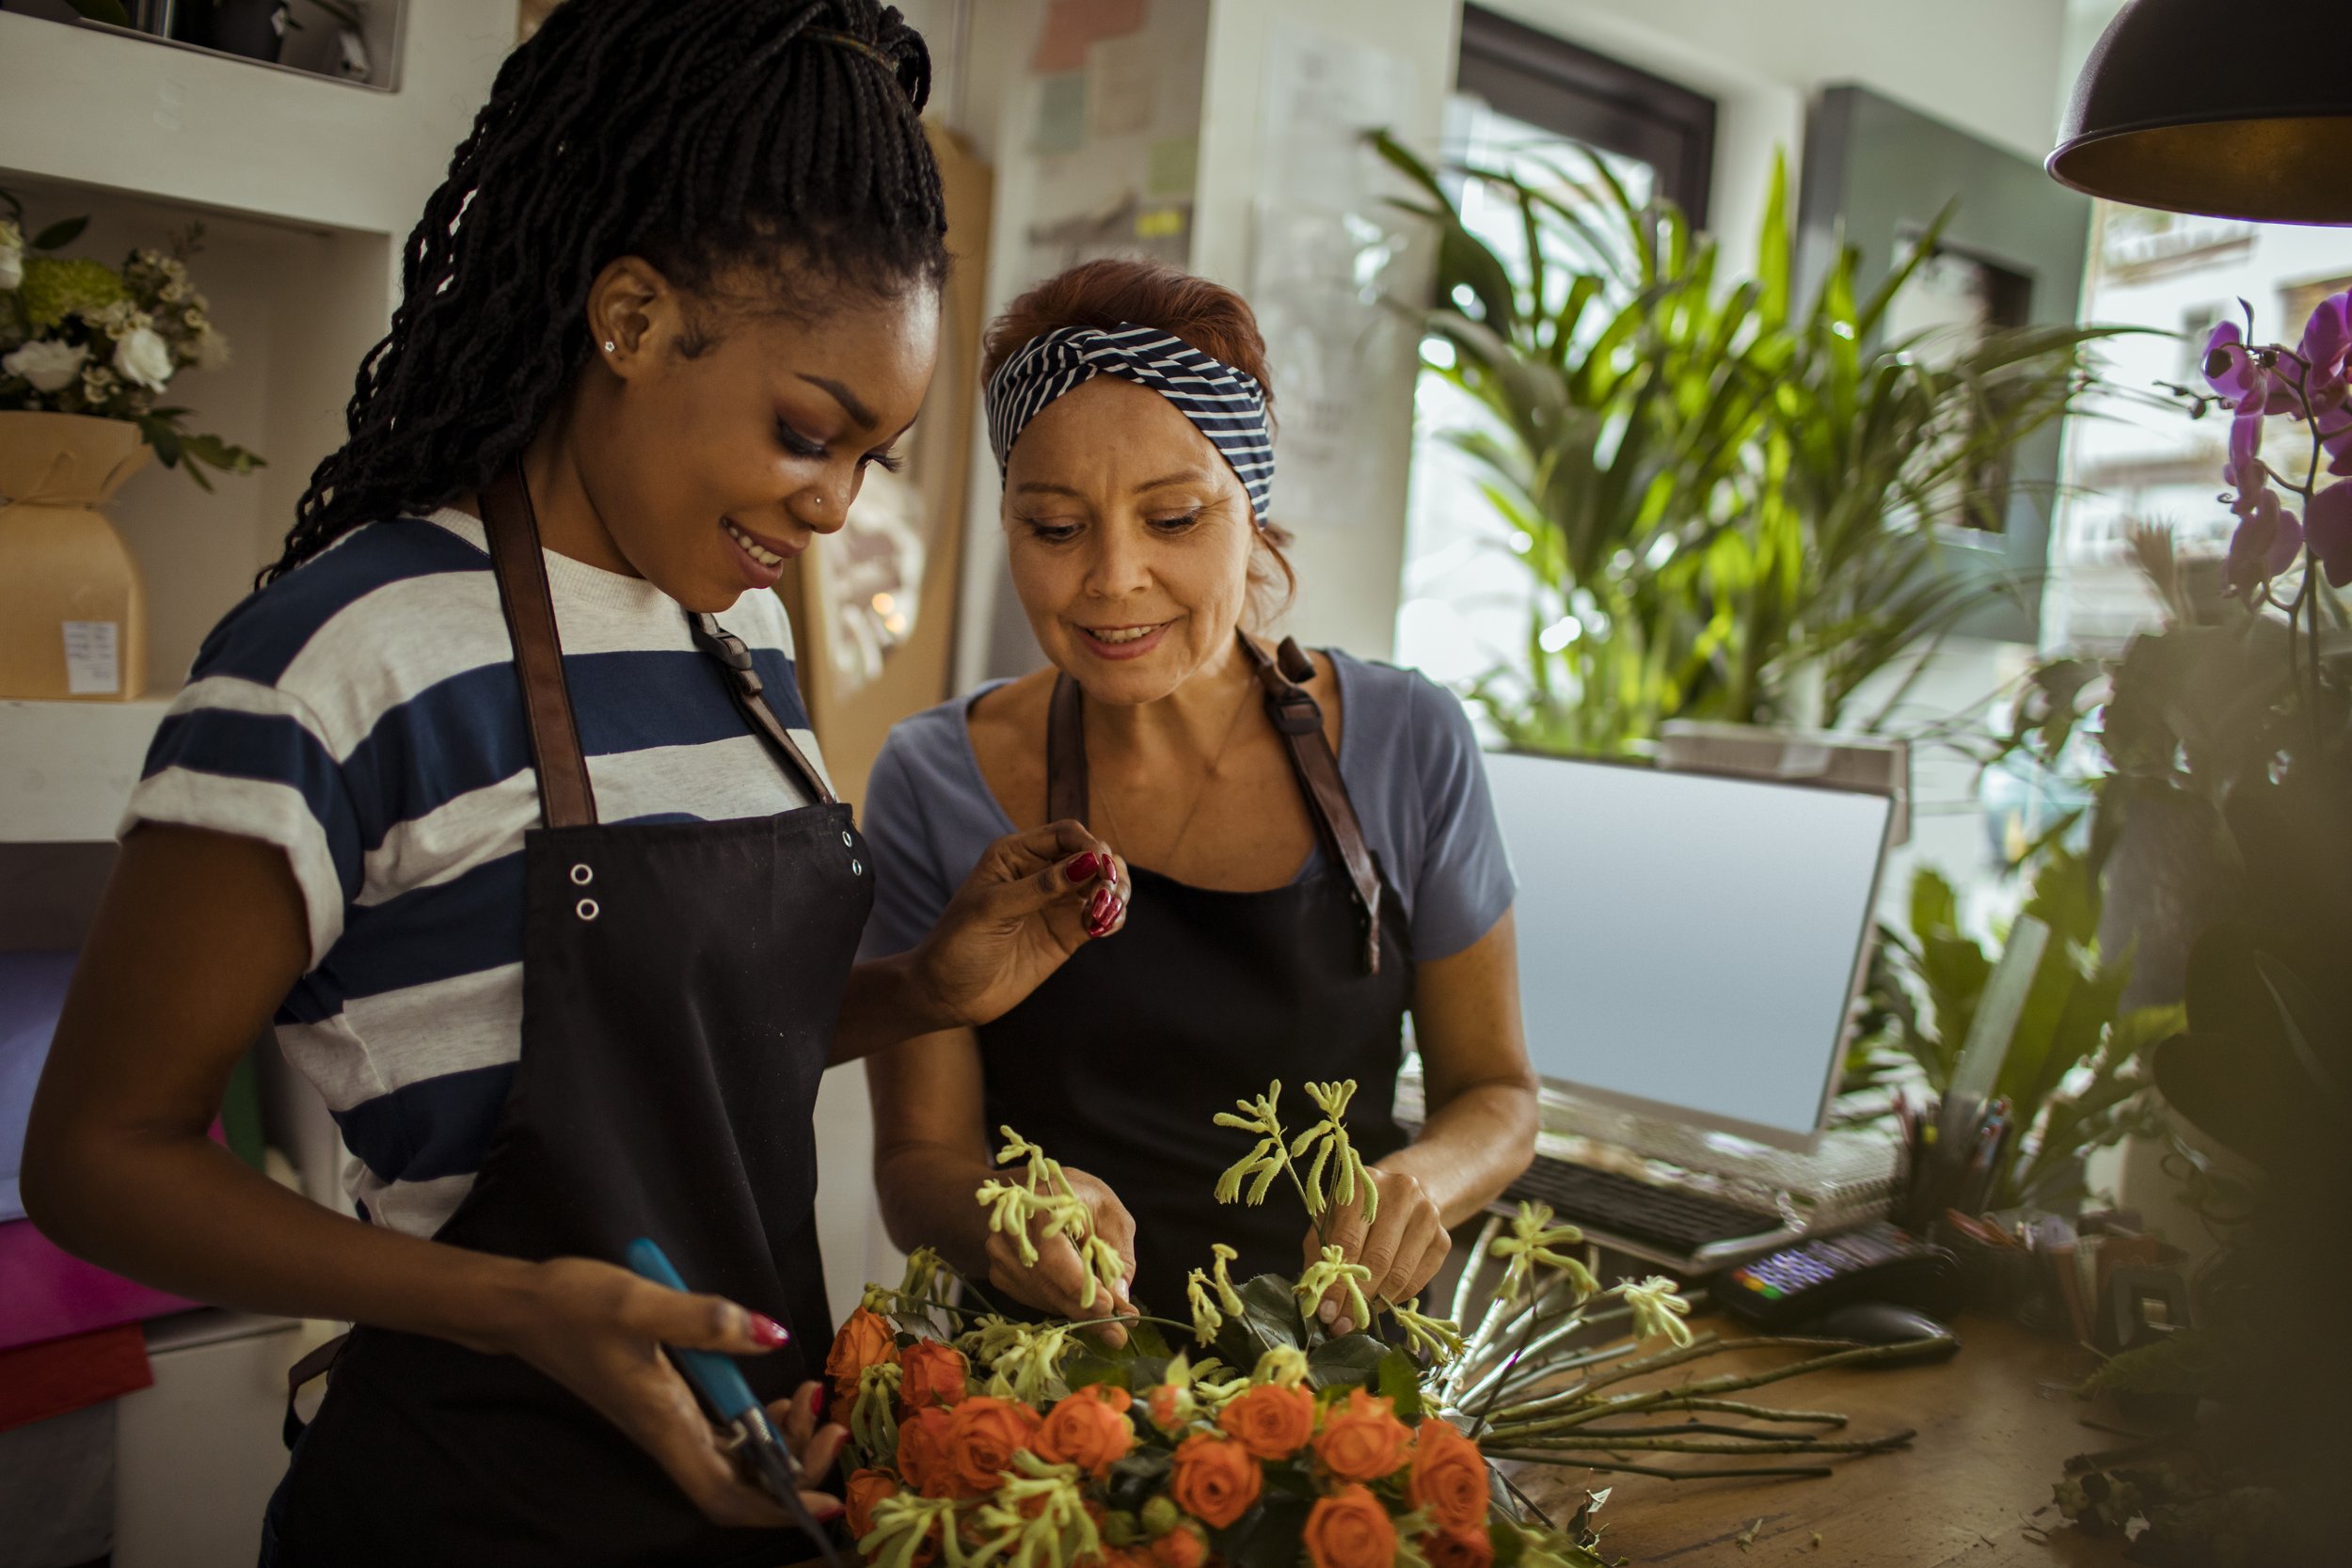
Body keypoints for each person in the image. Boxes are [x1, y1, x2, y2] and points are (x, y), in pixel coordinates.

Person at [19, 6, 1130, 1565]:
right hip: (461, 1502)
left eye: (870, 457)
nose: (829, 505)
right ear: (627, 316)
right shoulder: (348, 657)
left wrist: (923, 987)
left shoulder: (738, 646)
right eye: (808, 431)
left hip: (751, 1488)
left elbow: (653, 1043)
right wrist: (514, 1304)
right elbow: (94, 1158)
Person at [860, 259, 1538, 1342]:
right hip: (1046, 1403)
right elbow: (914, 1166)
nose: (1112, 577)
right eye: (1053, 527)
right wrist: (1003, 1214)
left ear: (1250, 510)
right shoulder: (932, 778)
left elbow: (1497, 1093)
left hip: (1334, 1398)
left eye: (1173, 517)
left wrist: (1420, 1182)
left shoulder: (1411, 742)